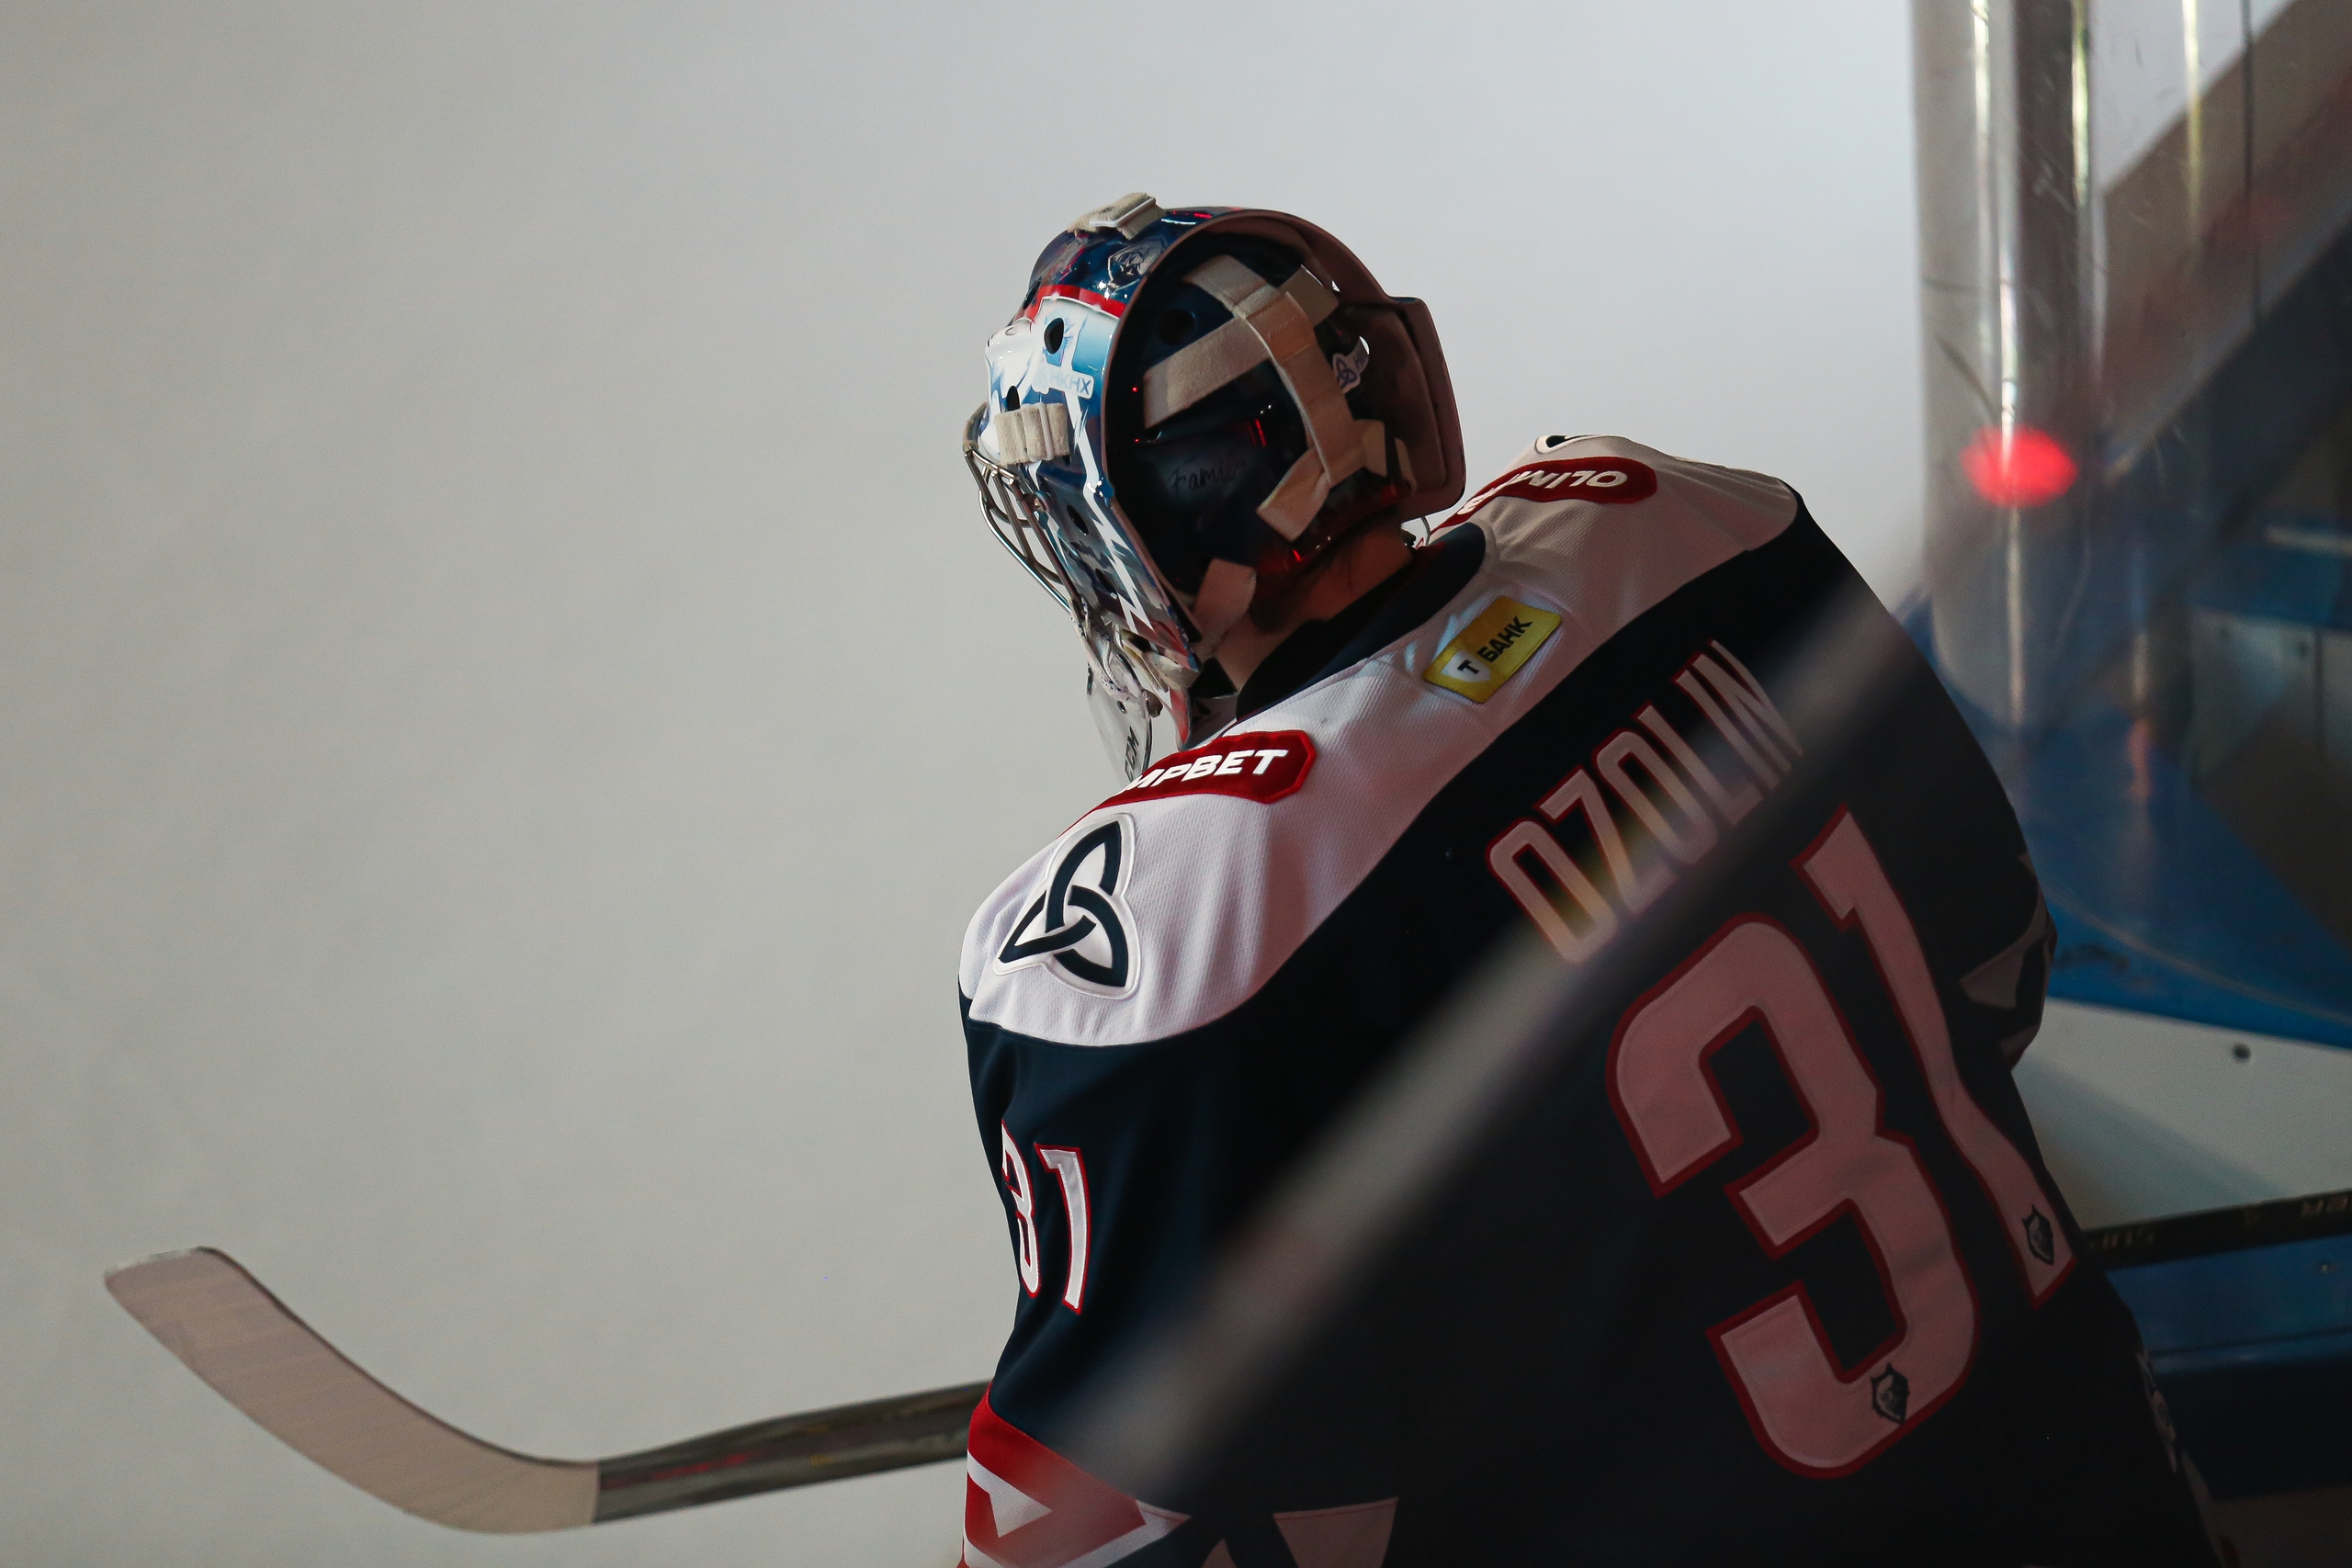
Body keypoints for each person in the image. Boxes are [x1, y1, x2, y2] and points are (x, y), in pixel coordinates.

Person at [954, 194, 2218, 1567]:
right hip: (2091, 1473)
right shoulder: (1685, 527)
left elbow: (1141, 1532)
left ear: (1144, 519)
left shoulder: (1166, 931)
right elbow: (1994, 951)